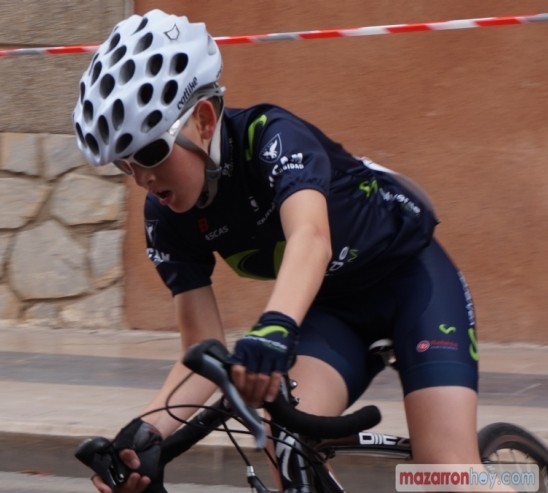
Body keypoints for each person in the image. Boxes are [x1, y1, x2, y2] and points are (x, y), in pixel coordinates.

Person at [73, 9, 481, 493]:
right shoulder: (166, 218)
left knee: (444, 470)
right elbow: (201, 354)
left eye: (150, 153)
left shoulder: (272, 137)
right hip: (334, 312)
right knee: (285, 442)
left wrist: (273, 329)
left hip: (412, 282)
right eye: (125, 162)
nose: (141, 177)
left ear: (203, 120)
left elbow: (310, 235)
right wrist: (145, 434)